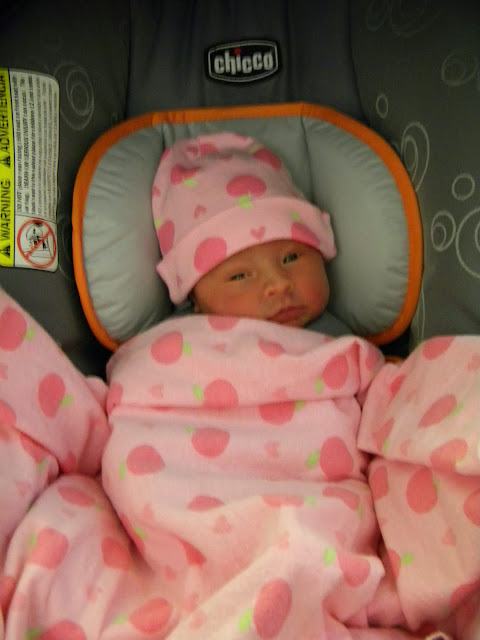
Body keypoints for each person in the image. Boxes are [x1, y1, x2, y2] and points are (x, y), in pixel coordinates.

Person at [152, 131, 351, 335]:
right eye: (239, 276)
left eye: (291, 258)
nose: (279, 284)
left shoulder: (348, 342)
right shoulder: (176, 344)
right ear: (195, 298)